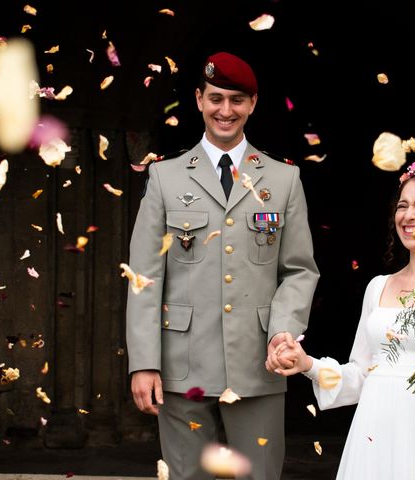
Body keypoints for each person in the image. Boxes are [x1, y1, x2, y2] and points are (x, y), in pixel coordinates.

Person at [126, 51, 319, 480]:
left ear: (253, 104)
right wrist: (144, 362)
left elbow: (299, 270)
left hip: (258, 363)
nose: (224, 110)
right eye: (216, 98)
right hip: (182, 367)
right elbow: (145, 276)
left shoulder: (284, 180)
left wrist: (283, 331)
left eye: (236, 99)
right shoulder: (165, 177)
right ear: (198, 100)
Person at [267, 163, 415, 479]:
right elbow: (361, 375)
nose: (409, 215)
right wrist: (308, 364)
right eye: (402, 206)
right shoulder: (378, 287)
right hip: (375, 434)